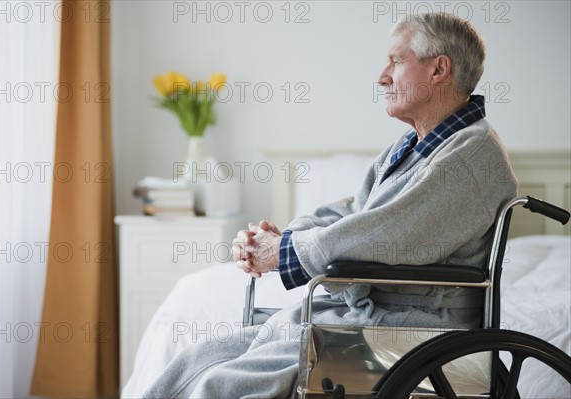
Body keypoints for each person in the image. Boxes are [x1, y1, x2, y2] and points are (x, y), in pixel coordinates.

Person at [145, 12, 517, 398]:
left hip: (410, 331)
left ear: (439, 68)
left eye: (396, 60)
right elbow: (353, 212)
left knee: (219, 384)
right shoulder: (414, 147)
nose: (382, 76)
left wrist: (285, 252)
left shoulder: (471, 156)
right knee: (195, 359)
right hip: (367, 320)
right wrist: (282, 239)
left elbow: (384, 231)